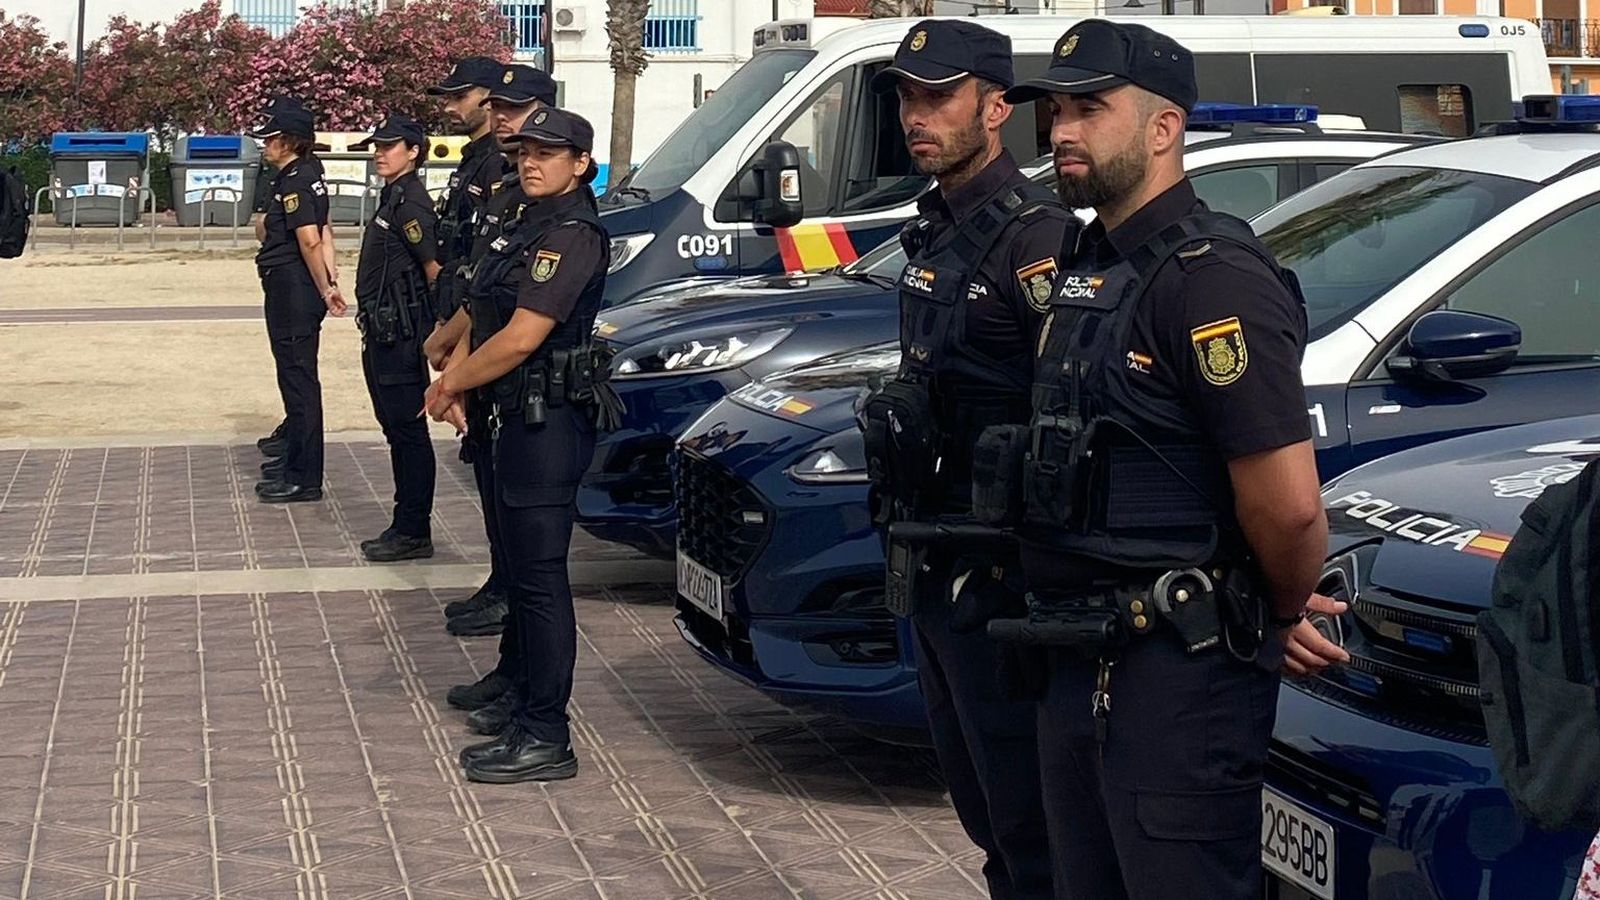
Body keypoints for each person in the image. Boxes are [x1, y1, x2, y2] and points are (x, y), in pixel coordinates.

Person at [986, 20, 1328, 899]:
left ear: (1164, 128)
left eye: (1088, 109)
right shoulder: (1087, 262)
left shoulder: (1213, 278)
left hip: (1177, 677)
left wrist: (1276, 607)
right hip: (1078, 657)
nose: (1061, 131)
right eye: (1055, 111)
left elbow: (1287, 507)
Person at [859, 19, 1071, 900]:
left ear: (995, 109)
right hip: (936, 555)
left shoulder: (1036, 238)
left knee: (1031, 823)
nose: (917, 115)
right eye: (908, 97)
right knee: (982, 810)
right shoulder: (934, 229)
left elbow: (1066, 410)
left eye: (938, 97)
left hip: (1005, 574)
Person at [423, 107, 615, 784]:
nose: (531, 162)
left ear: (580, 163)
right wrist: (458, 361)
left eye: (548, 153)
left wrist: (448, 384)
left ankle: (546, 731)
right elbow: (488, 303)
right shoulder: (527, 222)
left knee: (538, 582)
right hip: (512, 414)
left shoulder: (574, 233)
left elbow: (524, 335)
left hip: (548, 421)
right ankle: (519, 693)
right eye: (524, 152)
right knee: (517, 568)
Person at [429, 64, 558, 642]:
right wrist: (452, 340)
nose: (502, 118)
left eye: (515, 109)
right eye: (498, 108)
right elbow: (482, 280)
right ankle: (501, 586)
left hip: (522, 381)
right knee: (489, 484)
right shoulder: (506, 185)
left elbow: (519, 317)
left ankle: (508, 593)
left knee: (523, 529)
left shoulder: (555, 214)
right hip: (482, 354)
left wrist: (458, 370)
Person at [351, 114, 442, 561]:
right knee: (395, 429)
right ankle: (406, 523)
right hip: (383, 331)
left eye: (390, 146)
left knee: (408, 432)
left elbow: (433, 270)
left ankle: (412, 528)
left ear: (413, 152)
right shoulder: (394, 198)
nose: (380, 154)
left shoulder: (411, 205)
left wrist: (438, 333)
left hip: (401, 333)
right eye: (378, 146)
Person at [251, 98, 343, 504]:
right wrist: (331, 278)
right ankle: (294, 458)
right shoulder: (307, 173)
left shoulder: (296, 180)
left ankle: (304, 477)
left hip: (292, 286)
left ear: (289, 141)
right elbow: (325, 231)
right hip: (295, 283)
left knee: (299, 380)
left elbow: (310, 237)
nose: (265, 144)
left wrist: (325, 286)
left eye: (271, 138)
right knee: (295, 377)